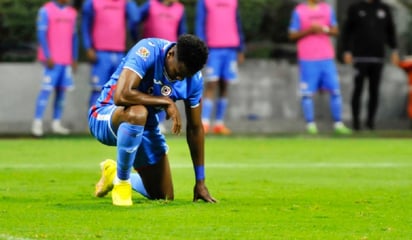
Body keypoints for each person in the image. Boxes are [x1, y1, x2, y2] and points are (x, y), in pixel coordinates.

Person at [89, 34, 216, 206]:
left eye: (184, 76)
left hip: (145, 127)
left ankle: (113, 174)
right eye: (178, 72)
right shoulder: (147, 50)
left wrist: (200, 181)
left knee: (163, 195)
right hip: (106, 115)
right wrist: (165, 101)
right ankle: (122, 184)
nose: (179, 79)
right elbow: (121, 95)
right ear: (171, 55)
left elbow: (195, 128)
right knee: (138, 112)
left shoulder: (193, 79)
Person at [288, 0, 352, 135]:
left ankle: (338, 124)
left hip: (326, 56)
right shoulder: (299, 11)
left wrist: (323, 29)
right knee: (307, 92)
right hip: (307, 57)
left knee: (335, 90)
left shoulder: (327, 9)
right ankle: (310, 124)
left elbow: (335, 31)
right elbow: (292, 34)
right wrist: (310, 30)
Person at [341, 0, 399, 131]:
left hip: (377, 57)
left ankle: (370, 122)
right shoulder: (355, 8)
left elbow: (391, 30)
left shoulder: (384, 8)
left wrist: (394, 50)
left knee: (374, 90)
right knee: (358, 89)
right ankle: (356, 122)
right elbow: (347, 31)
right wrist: (347, 50)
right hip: (360, 57)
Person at [195, 0, 245, 135]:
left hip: (230, 48)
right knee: (211, 83)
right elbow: (200, 23)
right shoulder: (204, 2)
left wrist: (240, 48)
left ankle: (219, 123)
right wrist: (201, 47)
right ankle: (204, 122)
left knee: (225, 84)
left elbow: (237, 22)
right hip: (213, 48)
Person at [139, 0, 188, 133]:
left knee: (164, 89)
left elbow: (182, 34)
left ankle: (158, 123)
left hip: (169, 59)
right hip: (150, 55)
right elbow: (135, 20)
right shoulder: (150, 4)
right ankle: (141, 120)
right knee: (145, 87)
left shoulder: (179, 9)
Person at [81, 0, 140, 109]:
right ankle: (94, 122)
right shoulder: (92, 3)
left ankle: (111, 123)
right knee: (98, 89)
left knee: (119, 90)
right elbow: (85, 25)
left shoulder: (125, 3)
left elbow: (135, 18)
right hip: (100, 53)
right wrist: (88, 47)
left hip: (120, 53)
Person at [31, 0, 78, 137]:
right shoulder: (45, 10)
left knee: (62, 92)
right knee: (46, 90)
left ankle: (56, 123)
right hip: (51, 60)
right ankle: (37, 122)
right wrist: (47, 55)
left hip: (66, 60)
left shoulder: (72, 13)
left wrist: (74, 58)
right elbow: (41, 35)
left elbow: (74, 37)